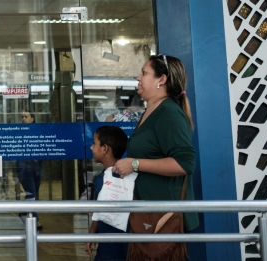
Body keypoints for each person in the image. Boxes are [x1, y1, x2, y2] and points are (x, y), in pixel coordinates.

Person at [112, 55, 199, 251]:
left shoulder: (169, 113)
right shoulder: (152, 111)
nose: (138, 78)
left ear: (162, 79)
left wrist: (134, 164)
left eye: (144, 73)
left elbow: (185, 163)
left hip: (163, 219)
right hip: (147, 215)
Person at [85, 125, 129, 261]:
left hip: (112, 251)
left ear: (105, 149)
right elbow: (99, 210)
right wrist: (92, 232)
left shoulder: (104, 179)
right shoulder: (102, 178)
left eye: (94, 143)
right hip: (110, 246)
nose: (91, 148)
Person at [17, 109, 43, 230]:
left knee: (34, 192)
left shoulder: (37, 132)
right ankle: (35, 219)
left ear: (32, 119)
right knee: (31, 192)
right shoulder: (18, 132)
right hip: (24, 165)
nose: (24, 119)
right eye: (22, 117)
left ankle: (23, 211)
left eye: (26, 116)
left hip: (36, 165)